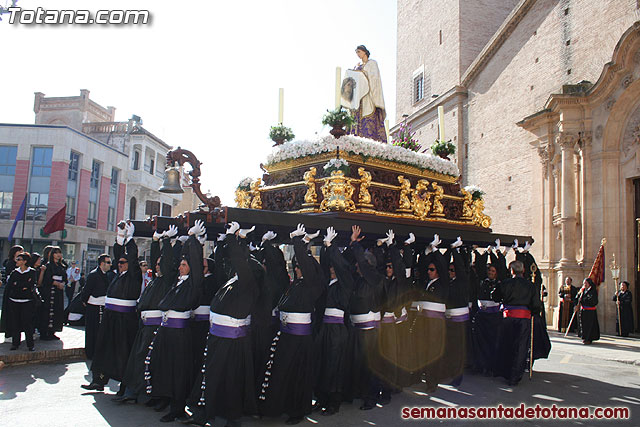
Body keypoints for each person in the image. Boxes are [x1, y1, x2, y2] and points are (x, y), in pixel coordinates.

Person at [185, 222, 260, 427]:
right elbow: (225, 260)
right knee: (210, 375)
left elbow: (239, 260)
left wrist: (231, 238)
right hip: (217, 335)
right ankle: (206, 412)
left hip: (231, 339)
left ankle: (231, 417)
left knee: (230, 378)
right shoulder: (232, 280)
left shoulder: (247, 282)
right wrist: (237, 239)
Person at [260, 224, 325, 425]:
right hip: (285, 336)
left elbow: (305, 263)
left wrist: (300, 242)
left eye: (299, 266)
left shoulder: (313, 285)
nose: (296, 269)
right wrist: (267, 245)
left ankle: (297, 410)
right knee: (281, 374)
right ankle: (280, 406)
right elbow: (281, 267)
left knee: (298, 376)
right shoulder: (295, 284)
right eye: (295, 266)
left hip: (299, 339)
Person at [146, 221, 205, 423]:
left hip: (180, 334)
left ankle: (178, 408)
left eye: (184, 265)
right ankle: (166, 401)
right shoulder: (176, 282)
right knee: (165, 368)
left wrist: (193, 240)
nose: (180, 267)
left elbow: (197, 264)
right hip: (166, 331)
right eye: (180, 264)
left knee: (179, 372)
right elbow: (165, 264)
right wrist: (166, 242)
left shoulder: (194, 284)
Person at [120, 225, 178, 410]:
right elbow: (156, 261)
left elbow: (166, 261)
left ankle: (147, 394)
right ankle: (133, 391)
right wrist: (155, 242)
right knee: (137, 360)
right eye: (157, 264)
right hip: (144, 326)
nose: (158, 265)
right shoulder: (156, 280)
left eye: (162, 264)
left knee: (148, 362)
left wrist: (167, 242)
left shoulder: (169, 280)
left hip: (155, 328)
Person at [83, 221, 141, 393]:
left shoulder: (133, 276)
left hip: (124, 320)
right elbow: (118, 254)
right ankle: (98, 381)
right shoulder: (117, 275)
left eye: (124, 262)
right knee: (103, 349)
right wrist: (119, 237)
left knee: (122, 353)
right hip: (110, 317)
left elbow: (132, 257)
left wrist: (129, 241)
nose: (120, 264)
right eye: (119, 263)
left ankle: (124, 387)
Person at [313, 227, 355, 416]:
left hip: (338, 329)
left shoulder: (345, 283)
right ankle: (321, 397)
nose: (331, 268)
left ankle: (334, 401)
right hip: (325, 327)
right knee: (321, 362)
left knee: (335, 365)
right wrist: (325, 247)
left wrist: (332, 246)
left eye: (333, 267)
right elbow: (326, 264)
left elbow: (342, 265)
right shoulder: (328, 282)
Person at [491, 260, 540, 386]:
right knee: (521, 347)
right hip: (523, 319)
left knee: (507, 344)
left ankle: (506, 372)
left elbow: (495, 296)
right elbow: (536, 305)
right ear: (523, 271)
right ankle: (515, 376)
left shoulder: (505, 283)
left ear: (511, 271)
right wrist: (533, 312)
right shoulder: (530, 285)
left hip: (508, 318)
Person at [350, 45, 387, 142]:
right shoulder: (357, 65)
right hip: (359, 98)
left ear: (364, 52)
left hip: (368, 95)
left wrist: (362, 73)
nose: (358, 54)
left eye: (359, 52)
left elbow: (374, 79)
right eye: (356, 52)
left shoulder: (372, 64)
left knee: (368, 121)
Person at [79, 254, 113, 360]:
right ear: (102, 263)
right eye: (108, 262)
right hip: (93, 306)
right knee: (92, 330)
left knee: (100, 331)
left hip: (103, 305)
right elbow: (86, 291)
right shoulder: (93, 275)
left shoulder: (107, 275)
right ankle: (91, 353)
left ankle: (99, 352)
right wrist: (84, 301)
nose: (110, 265)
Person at [5, 252, 39, 351]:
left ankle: (30, 344)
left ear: (25, 261)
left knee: (27, 322)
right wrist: (21, 285)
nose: (17, 261)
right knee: (15, 322)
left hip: (27, 301)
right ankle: (15, 343)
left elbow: (30, 284)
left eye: (19, 259)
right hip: (14, 300)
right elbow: (12, 285)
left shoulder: (32, 272)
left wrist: (20, 285)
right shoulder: (14, 272)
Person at [38, 246, 67, 341]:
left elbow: (65, 278)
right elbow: (47, 279)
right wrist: (56, 283)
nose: (58, 255)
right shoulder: (49, 265)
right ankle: (44, 332)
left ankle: (52, 331)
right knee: (47, 310)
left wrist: (62, 283)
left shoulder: (61, 266)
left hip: (58, 292)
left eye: (60, 253)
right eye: (56, 253)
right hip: (49, 291)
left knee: (57, 310)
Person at [0, 245, 25, 339]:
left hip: (19, 291)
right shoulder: (10, 263)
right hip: (11, 290)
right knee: (9, 312)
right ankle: (8, 333)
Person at [577, 278, 600, 344]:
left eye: (586, 283)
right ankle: (584, 337)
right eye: (584, 283)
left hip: (590, 311)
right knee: (583, 325)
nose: (585, 285)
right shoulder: (583, 290)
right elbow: (577, 298)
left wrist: (583, 300)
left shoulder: (593, 291)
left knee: (589, 325)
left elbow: (593, 301)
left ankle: (588, 339)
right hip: (583, 310)